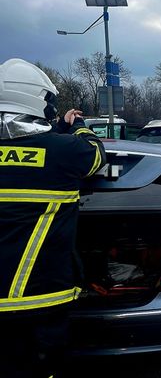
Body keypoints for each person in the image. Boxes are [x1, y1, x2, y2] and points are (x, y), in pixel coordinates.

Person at [0, 59, 106, 378]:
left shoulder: (54, 150)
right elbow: (95, 153)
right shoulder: (63, 151)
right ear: (38, 100)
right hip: (41, 298)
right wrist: (75, 125)